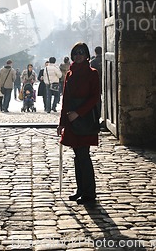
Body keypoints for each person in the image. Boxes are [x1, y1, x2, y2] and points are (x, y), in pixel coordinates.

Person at [57, 42, 100, 205]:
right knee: (77, 156)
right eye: (75, 53)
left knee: (84, 155)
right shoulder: (69, 74)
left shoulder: (92, 73)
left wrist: (78, 113)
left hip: (85, 118)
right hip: (71, 119)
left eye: (81, 53)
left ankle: (89, 192)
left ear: (87, 54)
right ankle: (81, 189)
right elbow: (66, 99)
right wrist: (62, 122)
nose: (78, 55)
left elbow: (94, 97)